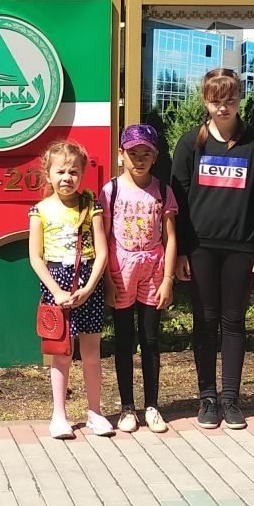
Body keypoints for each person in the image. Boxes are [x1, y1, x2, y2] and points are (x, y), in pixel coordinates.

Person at [170, 68, 254, 431]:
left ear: (239, 99)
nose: (223, 107)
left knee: (233, 323)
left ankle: (230, 399)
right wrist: (180, 251)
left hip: (242, 249)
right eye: (216, 100)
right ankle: (207, 398)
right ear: (206, 101)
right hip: (200, 249)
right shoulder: (190, 143)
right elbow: (178, 203)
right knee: (204, 322)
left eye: (230, 99)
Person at [29, 139, 113, 440]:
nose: (67, 177)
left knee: (91, 353)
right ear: (48, 174)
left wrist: (89, 288)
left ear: (82, 174)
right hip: (57, 285)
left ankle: (95, 412)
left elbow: (102, 252)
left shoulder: (92, 208)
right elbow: (35, 257)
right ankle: (59, 415)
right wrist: (56, 291)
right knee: (61, 353)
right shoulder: (39, 211)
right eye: (61, 171)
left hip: (88, 283)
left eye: (74, 172)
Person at [102, 124, 178, 434]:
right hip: (121, 270)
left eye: (147, 153)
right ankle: (126, 407)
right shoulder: (111, 191)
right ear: (121, 154)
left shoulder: (163, 191)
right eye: (133, 153)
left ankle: (152, 406)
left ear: (156, 156)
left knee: (150, 339)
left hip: (153, 270)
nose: (140, 160)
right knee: (124, 339)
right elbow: (104, 237)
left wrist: (168, 279)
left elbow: (171, 237)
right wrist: (107, 280)